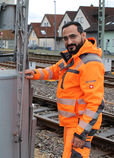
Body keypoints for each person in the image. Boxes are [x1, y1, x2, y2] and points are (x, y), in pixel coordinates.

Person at [24, 21, 105, 158]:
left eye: (73, 37)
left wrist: (81, 133)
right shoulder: (72, 58)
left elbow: (96, 103)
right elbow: (54, 71)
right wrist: (35, 73)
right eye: (66, 38)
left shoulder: (90, 63)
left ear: (83, 35)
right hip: (72, 122)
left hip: (80, 124)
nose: (69, 42)